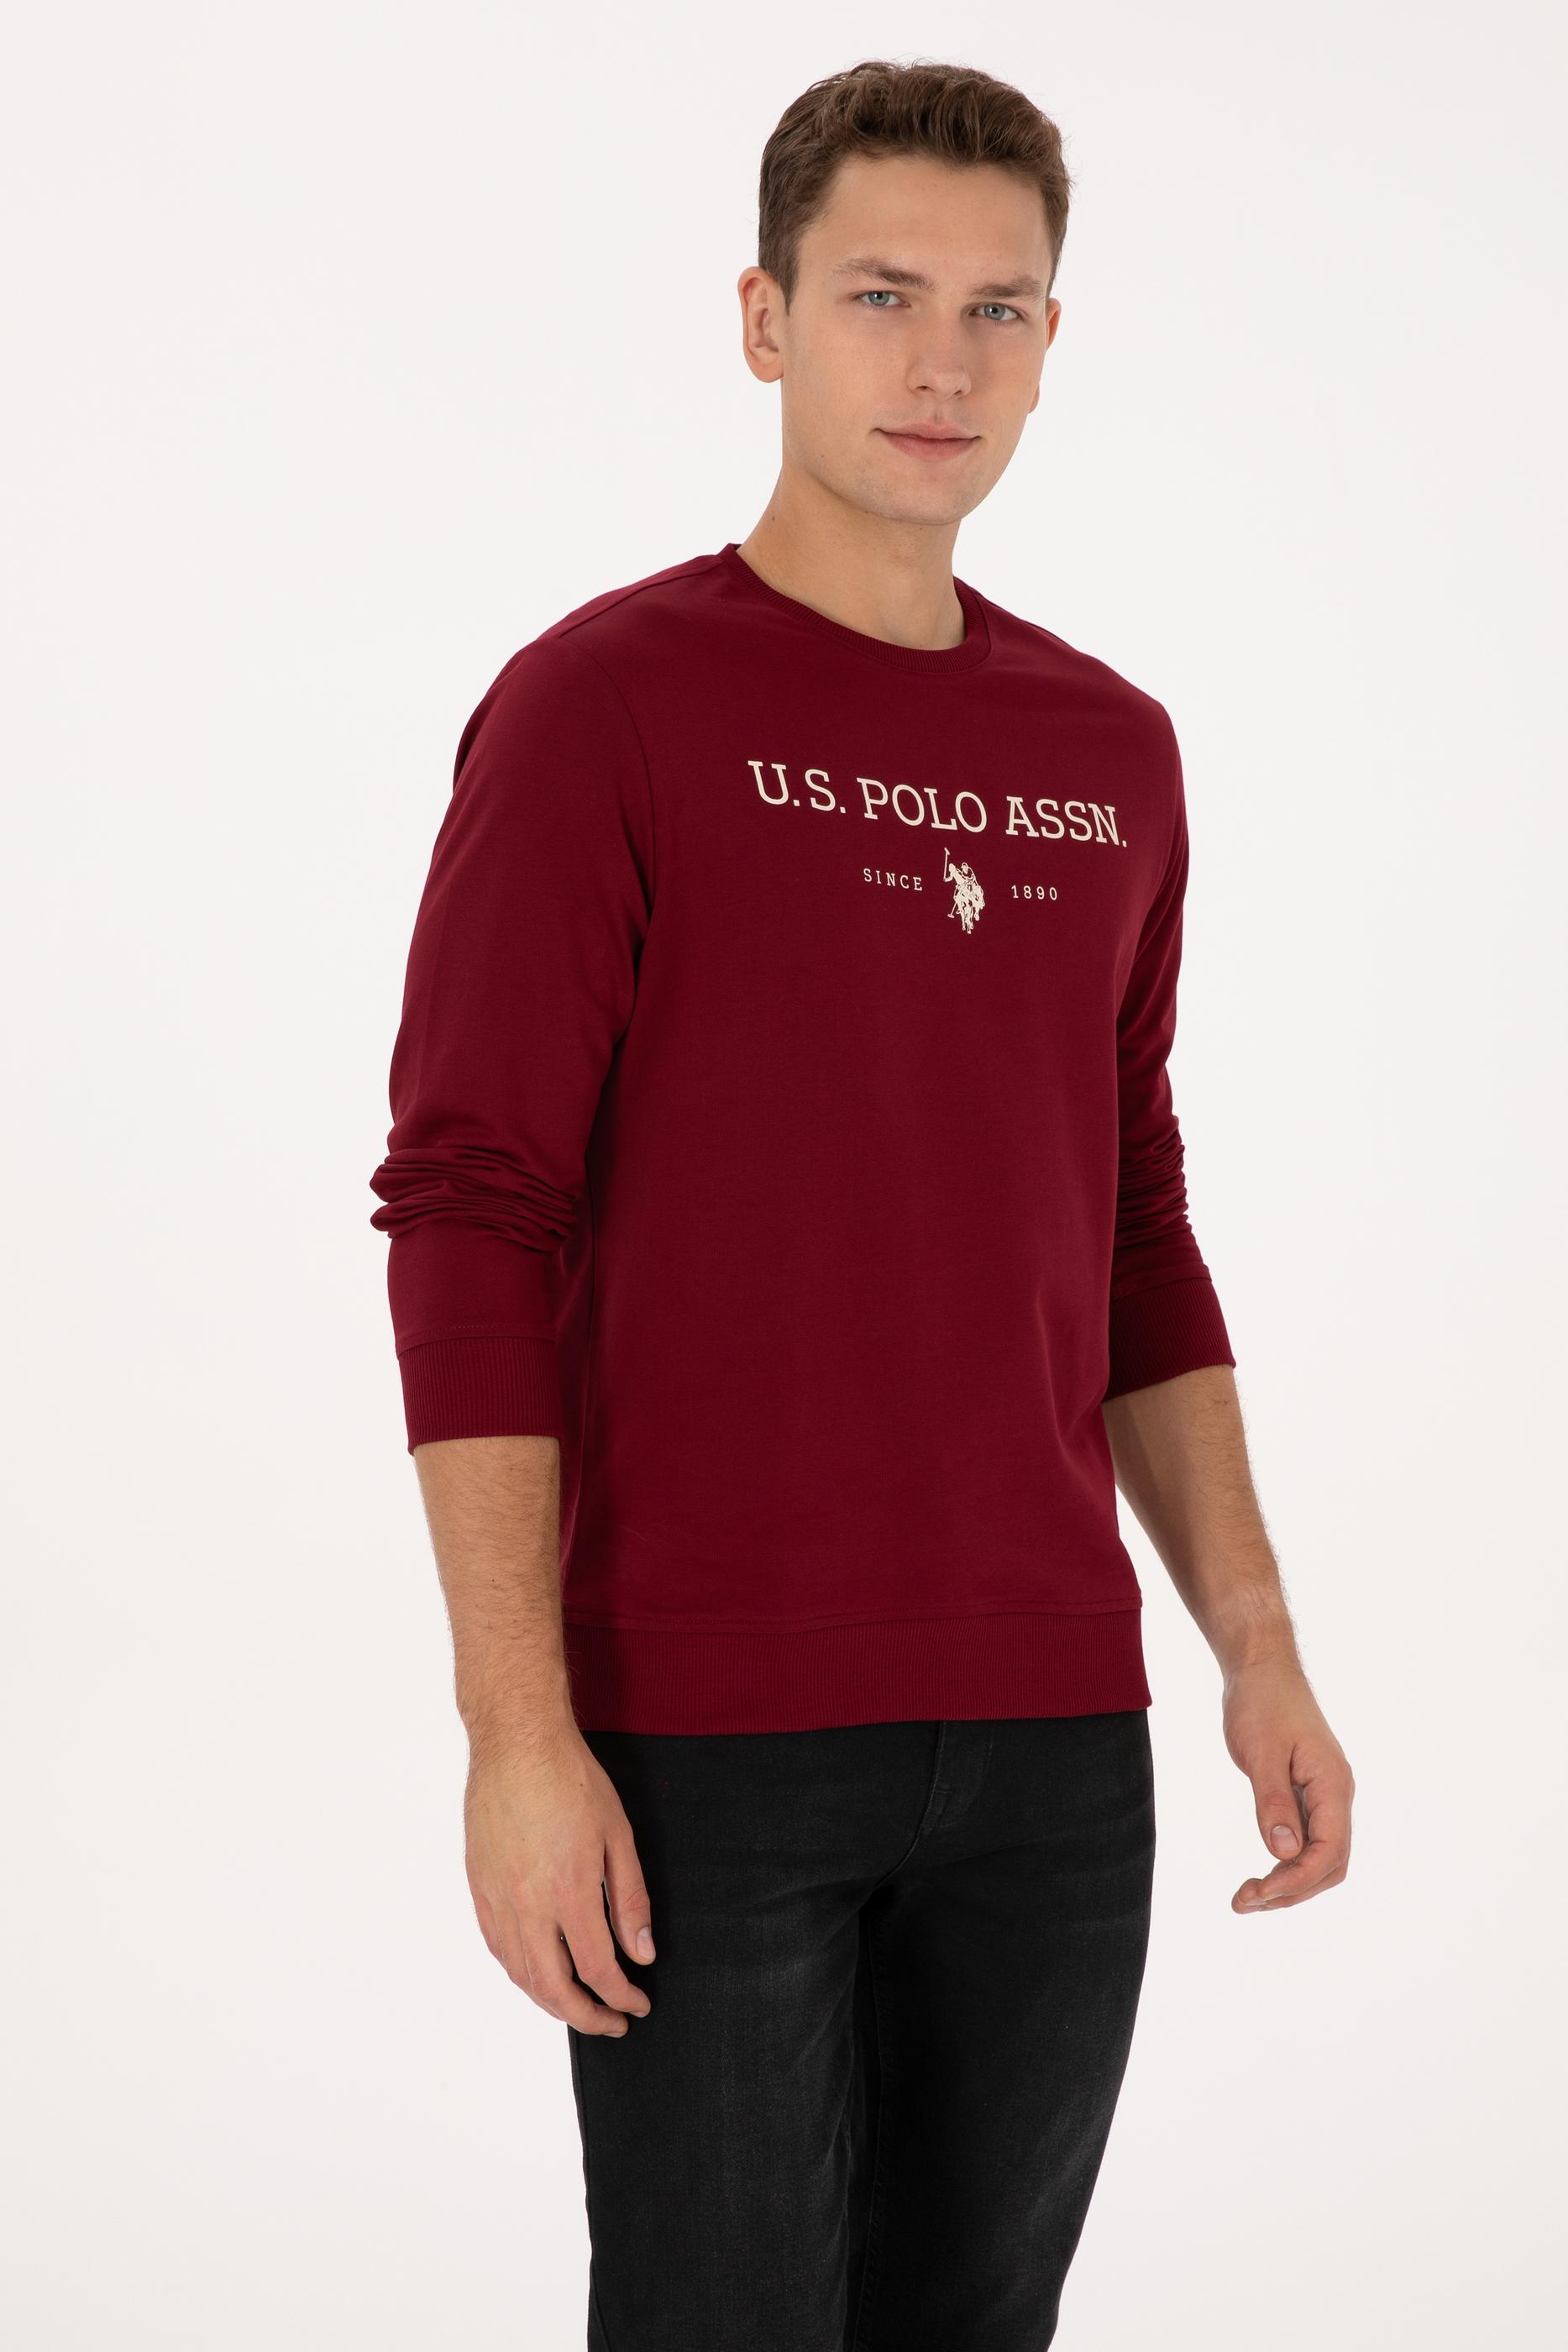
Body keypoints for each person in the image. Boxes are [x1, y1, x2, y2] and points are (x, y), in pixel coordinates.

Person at [367, 55, 1355, 2352]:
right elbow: (471, 1209)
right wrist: (516, 1730)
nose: (943, 363)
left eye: (999, 310)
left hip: (1052, 1743)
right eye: (882, 295)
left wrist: (1256, 1646)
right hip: (706, 1732)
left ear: (1051, 343)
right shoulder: (603, 708)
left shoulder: (1110, 754)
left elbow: (1132, 1222)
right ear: (763, 318)